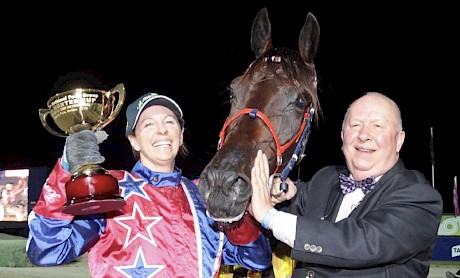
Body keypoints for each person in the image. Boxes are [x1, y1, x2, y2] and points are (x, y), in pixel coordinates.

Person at [27, 92, 272, 277]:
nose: (162, 131)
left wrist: (236, 213)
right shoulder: (111, 188)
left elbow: (257, 259)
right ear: (133, 140)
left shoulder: (204, 193)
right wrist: (66, 171)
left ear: (181, 134)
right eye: (148, 124)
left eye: (169, 122)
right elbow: (46, 251)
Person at [250, 92, 444, 277]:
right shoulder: (324, 179)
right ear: (343, 137)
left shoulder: (421, 197)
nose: (364, 135)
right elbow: (285, 212)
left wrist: (270, 216)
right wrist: (275, 191)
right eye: (356, 125)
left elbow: (361, 242)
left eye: (377, 126)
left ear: (399, 140)